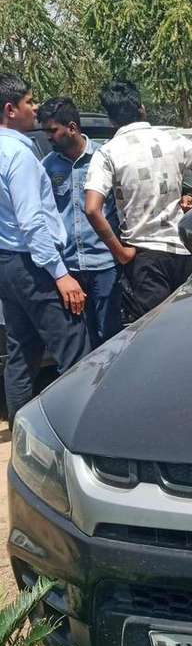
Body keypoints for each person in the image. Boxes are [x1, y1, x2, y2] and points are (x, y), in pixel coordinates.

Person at [85, 80, 192, 316]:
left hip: (144, 258)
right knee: (190, 323)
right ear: (141, 108)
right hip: (184, 250)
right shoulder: (172, 140)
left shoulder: (107, 153)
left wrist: (120, 253)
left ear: (111, 119)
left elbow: (92, 209)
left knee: (157, 330)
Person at [0, 74, 89, 424]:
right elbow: (32, 221)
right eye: (29, 102)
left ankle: (23, 431)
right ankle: (80, 431)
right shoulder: (18, 156)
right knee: (75, 347)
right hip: (33, 264)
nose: (35, 109)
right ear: (10, 109)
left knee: (22, 351)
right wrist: (60, 273)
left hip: (7, 263)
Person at [39, 97, 122, 347]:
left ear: (72, 128)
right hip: (70, 269)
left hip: (104, 264)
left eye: (53, 130)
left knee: (110, 337)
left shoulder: (103, 159)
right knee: (80, 342)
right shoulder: (47, 167)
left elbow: (121, 206)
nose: (49, 137)